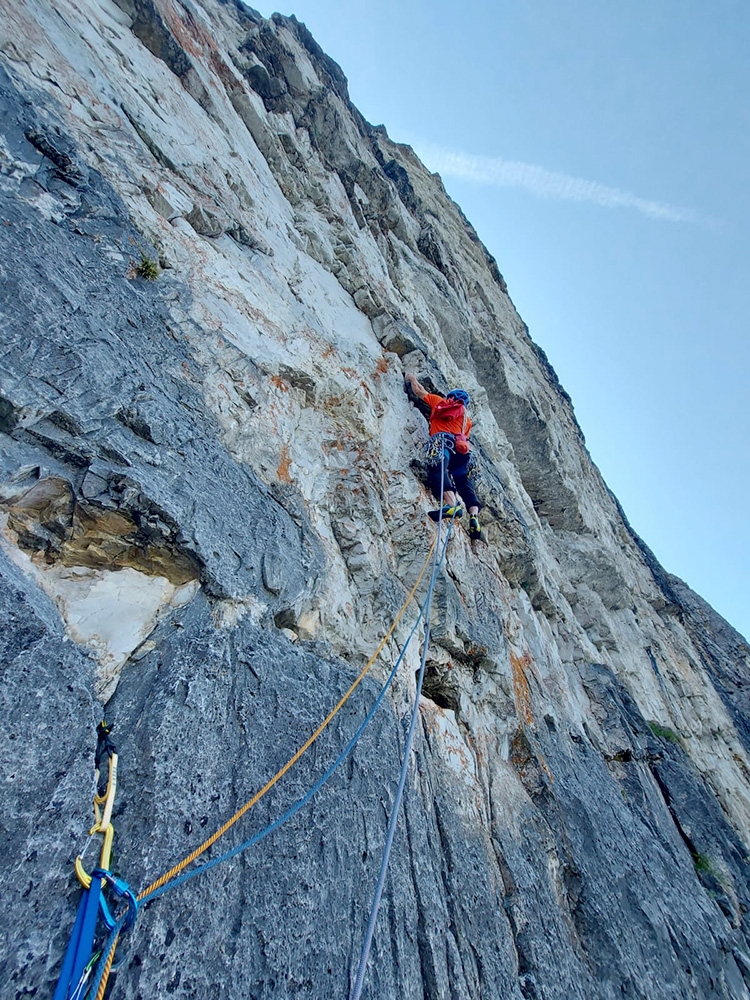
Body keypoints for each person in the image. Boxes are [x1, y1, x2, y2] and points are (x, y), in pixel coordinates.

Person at [404, 373, 483, 541]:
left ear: (451, 398)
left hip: (442, 443)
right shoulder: (466, 421)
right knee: (463, 481)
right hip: (462, 452)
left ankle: (451, 505)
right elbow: (463, 438)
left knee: (438, 470)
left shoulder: (442, 402)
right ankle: (474, 516)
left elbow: (419, 391)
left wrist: (411, 378)